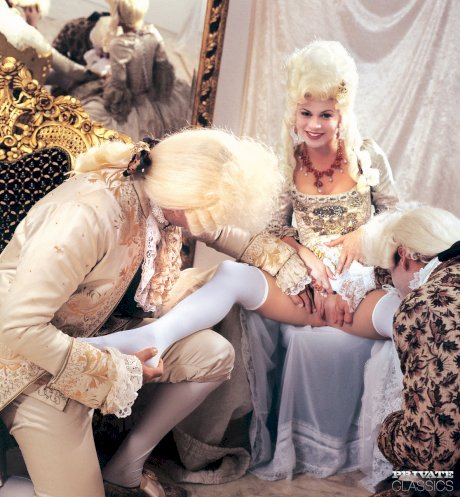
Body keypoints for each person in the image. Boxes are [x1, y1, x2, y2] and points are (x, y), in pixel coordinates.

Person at [83, 40, 400, 482]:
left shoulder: (368, 156)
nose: (314, 124)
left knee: (408, 315)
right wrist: (302, 254)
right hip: (306, 286)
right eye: (306, 113)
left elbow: (396, 216)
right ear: (294, 111)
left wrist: (364, 235)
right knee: (232, 274)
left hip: (363, 287)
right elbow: (271, 231)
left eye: (326, 114)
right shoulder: (288, 162)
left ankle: (413, 448)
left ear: (342, 113)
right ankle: (153, 338)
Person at [0, 128, 285, 497]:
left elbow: (224, 231)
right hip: (25, 360)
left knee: (213, 354)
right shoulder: (87, 214)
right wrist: (110, 370)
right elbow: (18, 327)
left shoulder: (158, 187)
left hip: (95, 332)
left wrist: (292, 260)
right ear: (182, 198)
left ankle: (125, 468)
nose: (202, 227)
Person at [361, 205, 460, 497]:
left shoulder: (428, 306)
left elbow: (429, 451)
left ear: (404, 255)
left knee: (409, 482)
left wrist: (388, 429)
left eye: (390, 271)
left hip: (445, 465)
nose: (395, 287)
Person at [76, 0, 191, 141]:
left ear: (118, 15)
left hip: (134, 103)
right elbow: (163, 69)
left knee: (88, 120)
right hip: (154, 96)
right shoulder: (153, 34)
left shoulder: (119, 45)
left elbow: (118, 84)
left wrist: (109, 81)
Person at [0, 0, 89, 92]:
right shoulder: (23, 30)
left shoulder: (5, 12)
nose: (38, 21)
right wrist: (88, 74)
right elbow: (67, 67)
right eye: (40, 17)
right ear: (33, 8)